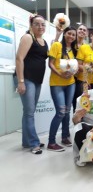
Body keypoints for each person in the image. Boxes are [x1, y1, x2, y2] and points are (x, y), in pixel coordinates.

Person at [14, 14, 48, 155]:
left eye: (43, 24)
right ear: (31, 25)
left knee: (29, 112)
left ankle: (26, 141)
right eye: (37, 24)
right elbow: (19, 59)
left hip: (37, 80)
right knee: (29, 112)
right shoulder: (28, 37)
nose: (40, 27)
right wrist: (21, 81)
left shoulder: (43, 41)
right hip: (26, 79)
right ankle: (34, 143)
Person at [47, 26, 78, 152]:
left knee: (67, 111)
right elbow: (50, 64)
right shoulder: (56, 46)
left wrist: (73, 72)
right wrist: (60, 74)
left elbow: (74, 66)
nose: (71, 36)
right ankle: (51, 142)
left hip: (71, 83)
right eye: (69, 34)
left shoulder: (74, 50)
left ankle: (65, 136)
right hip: (57, 83)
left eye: (73, 35)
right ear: (64, 34)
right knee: (60, 111)